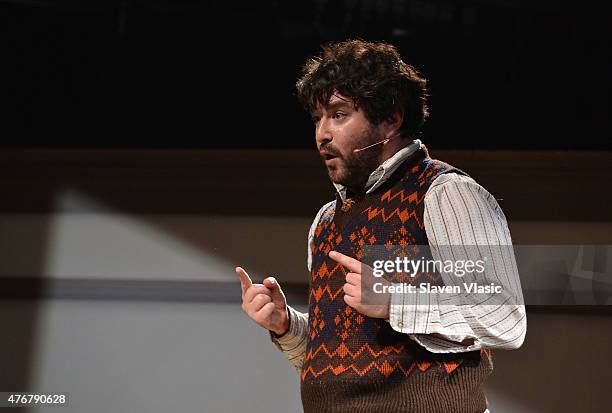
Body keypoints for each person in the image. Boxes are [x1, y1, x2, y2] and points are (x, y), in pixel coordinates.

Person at [236, 39, 526, 413]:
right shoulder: (326, 221)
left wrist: (396, 301)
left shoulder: (445, 194)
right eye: (317, 118)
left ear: (390, 119)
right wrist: (285, 326)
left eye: (338, 115)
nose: (322, 133)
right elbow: (346, 364)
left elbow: (504, 317)